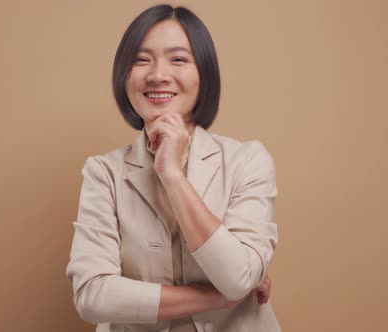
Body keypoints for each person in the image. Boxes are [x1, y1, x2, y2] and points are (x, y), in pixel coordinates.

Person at [66, 4, 280, 332]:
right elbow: (93, 296)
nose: (157, 74)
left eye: (178, 59)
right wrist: (218, 297)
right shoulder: (103, 172)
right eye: (141, 59)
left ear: (204, 73)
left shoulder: (247, 160)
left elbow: (237, 277)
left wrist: (172, 175)